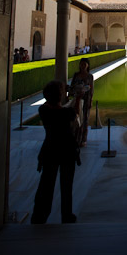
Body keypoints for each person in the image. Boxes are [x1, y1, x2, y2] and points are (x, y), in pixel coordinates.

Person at [31, 80, 81, 224]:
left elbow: (54, 108)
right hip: (67, 151)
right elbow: (75, 115)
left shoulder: (43, 110)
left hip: (50, 150)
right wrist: (77, 98)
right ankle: (67, 215)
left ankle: (40, 215)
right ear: (60, 96)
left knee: (46, 185)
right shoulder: (67, 112)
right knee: (66, 186)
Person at [69, 57, 94, 147]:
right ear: (80, 65)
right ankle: (75, 138)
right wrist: (70, 95)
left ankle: (83, 139)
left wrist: (90, 101)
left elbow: (91, 90)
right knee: (76, 119)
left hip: (86, 100)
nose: (83, 66)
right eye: (81, 64)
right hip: (76, 100)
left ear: (87, 65)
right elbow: (71, 87)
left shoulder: (90, 76)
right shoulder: (76, 75)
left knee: (85, 120)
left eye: (85, 64)